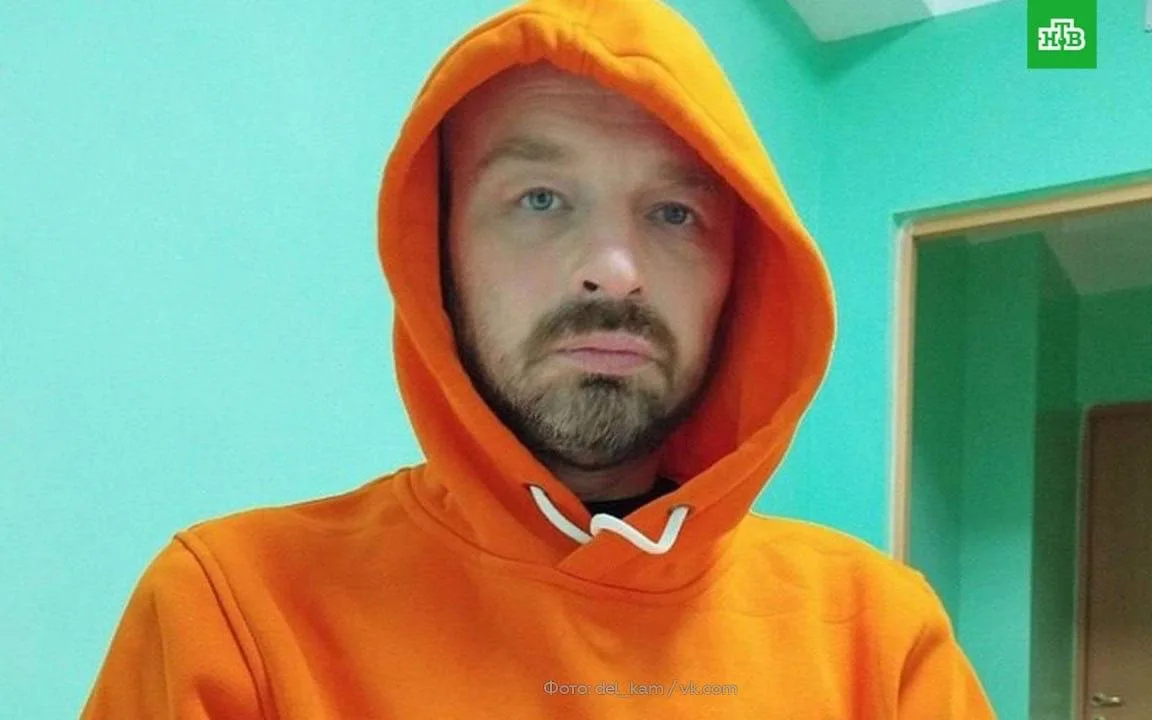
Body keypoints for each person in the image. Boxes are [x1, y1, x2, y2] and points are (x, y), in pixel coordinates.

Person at [82, 0, 996, 717]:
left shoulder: (879, 641)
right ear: (439, 257)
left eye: (674, 213)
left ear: (739, 277)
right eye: (541, 199)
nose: (615, 271)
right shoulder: (233, 614)